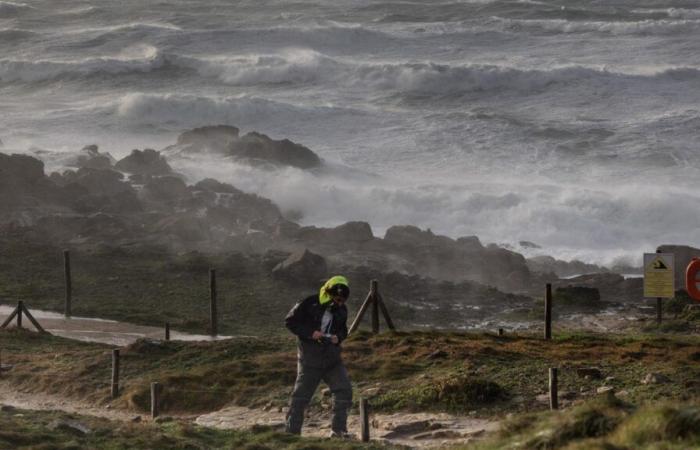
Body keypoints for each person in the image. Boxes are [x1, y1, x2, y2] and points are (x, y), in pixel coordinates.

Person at [284, 275, 352, 437]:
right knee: (301, 397)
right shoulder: (309, 303)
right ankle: (291, 434)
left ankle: (338, 431)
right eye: (337, 298)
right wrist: (310, 333)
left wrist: (338, 337)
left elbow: (343, 330)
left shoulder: (342, 309)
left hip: (332, 359)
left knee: (344, 391)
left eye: (342, 300)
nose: (339, 302)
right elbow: (290, 322)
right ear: (329, 293)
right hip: (310, 358)